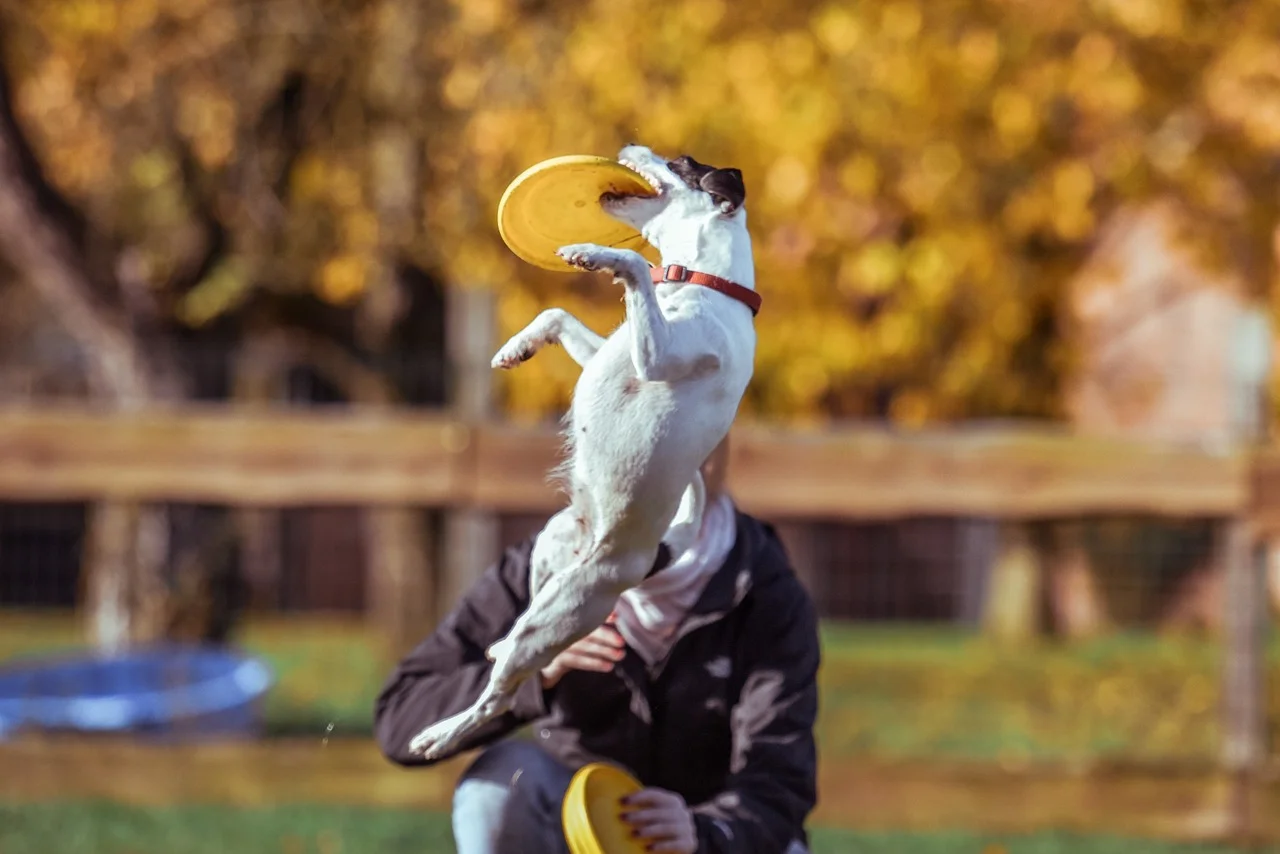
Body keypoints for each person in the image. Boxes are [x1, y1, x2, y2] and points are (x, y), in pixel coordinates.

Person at [374, 436, 820, 853]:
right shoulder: (548, 566)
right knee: (496, 788)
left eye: (690, 442)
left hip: (696, 831)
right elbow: (401, 721)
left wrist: (705, 830)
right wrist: (531, 671)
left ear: (716, 451)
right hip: (578, 820)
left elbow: (779, 781)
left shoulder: (762, 588)